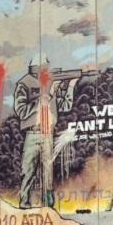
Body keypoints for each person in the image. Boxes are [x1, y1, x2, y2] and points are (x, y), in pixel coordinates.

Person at [14, 57, 78, 209]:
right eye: (44, 67)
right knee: (27, 171)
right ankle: (24, 204)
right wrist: (46, 96)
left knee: (48, 173)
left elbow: (65, 106)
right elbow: (21, 111)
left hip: (47, 133)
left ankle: (48, 206)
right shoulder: (24, 84)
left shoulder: (50, 82)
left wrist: (70, 87)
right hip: (32, 134)